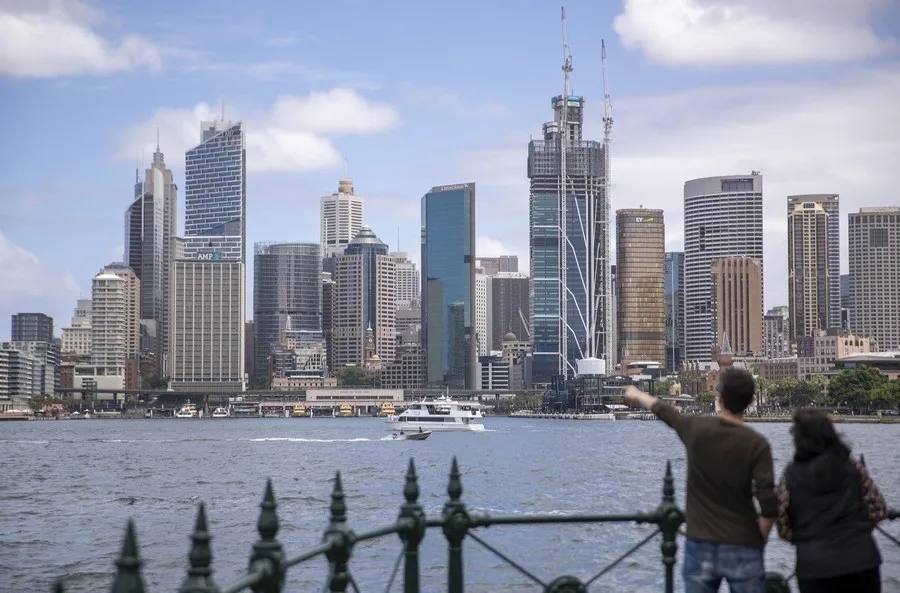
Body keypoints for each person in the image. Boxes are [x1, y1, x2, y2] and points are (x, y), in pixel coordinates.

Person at [623, 368, 777, 593]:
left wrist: (636, 394)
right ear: (751, 401)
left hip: (701, 542)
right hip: (744, 543)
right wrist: (759, 538)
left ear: (720, 397)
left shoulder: (697, 429)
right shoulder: (757, 444)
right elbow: (769, 504)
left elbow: (666, 412)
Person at [775, 409, 886, 593]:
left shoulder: (791, 475)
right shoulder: (852, 467)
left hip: (814, 568)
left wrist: (806, 539)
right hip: (861, 561)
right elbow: (878, 509)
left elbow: (783, 525)